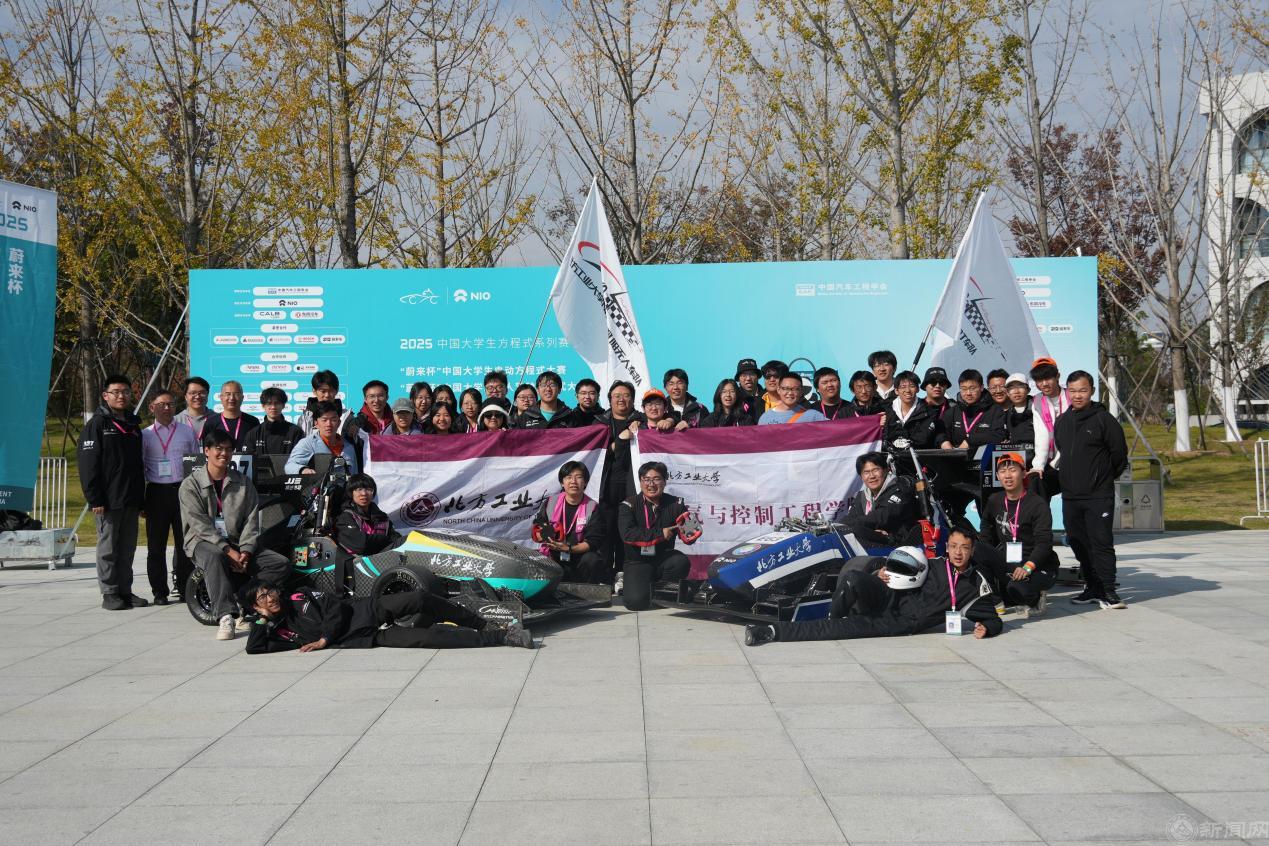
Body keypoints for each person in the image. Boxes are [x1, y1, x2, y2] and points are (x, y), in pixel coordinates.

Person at [744, 529, 1002, 645]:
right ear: (947, 547)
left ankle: (768, 632)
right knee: (853, 578)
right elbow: (895, 566)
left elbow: (993, 618)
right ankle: (835, 618)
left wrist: (987, 628)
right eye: (954, 546)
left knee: (834, 630)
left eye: (964, 548)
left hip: (900, 622)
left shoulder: (975, 584)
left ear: (972, 550)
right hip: (888, 597)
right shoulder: (933, 564)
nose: (958, 552)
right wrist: (878, 573)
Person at [181, 428, 292, 640]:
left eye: (228, 449)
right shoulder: (190, 485)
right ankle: (226, 616)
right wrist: (227, 550)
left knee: (279, 564)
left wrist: (246, 550)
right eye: (218, 449)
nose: (224, 453)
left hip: (237, 541)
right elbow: (199, 525)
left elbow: (252, 519)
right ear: (206, 451)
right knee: (215, 556)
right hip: (202, 541)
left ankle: (243, 600)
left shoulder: (242, 482)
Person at [241, 579, 534, 653]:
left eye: (270, 591)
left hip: (368, 609)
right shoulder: (282, 630)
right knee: (429, 638)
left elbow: (335, 609)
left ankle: (481, 622)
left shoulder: (299, 596)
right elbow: (254, 648)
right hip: (367, 636)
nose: (271, 598)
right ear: (255, 606)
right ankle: (502, 637)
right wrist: (262, 620)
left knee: (420, 598)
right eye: (262, 599)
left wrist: (324, 639)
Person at [1054, 370, 1128, 609]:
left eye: (1083, 390)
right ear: (1067, 392)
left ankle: (1108, 590)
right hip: (1071, 496)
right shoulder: (1062, 421)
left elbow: (1119, 456)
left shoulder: (1104, 420)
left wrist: (1102, 478)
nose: (1078, 395)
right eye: (1073, 391)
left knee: (1101, 543)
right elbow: (1062, 451)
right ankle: (1092, 587)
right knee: (1078, 542)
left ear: (1092, 391)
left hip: (1098, 495)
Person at [78, 375, 148, 610]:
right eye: (116, 392)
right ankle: (109, 592)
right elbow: (88, 465)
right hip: (107, 500)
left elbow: (138, 465)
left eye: (126, 392)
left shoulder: (133, 425)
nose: (121, 396)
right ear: (105, 395)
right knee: (108, 549)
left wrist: (141, 500)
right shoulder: (97, 425)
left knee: (127, 549)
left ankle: (125, 590)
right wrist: (94, 498)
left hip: (131, 498)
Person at [979, 453, 1056, 613]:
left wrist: (1027, 567)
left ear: (1023, 473)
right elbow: (986, 524)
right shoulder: (994, 500)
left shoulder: (1037, 504)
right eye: (1003, 471)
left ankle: (1037, 596)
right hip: (1009, 561)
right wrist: (987, 551)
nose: (1007, 475)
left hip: (1037, 564)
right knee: (976, 551)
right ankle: (996, 600)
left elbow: (1044, 543)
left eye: (1013, 470)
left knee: (1018, 591)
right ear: (997, 476)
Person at [141, 389, 199, 604]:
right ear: (152, 407)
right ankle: (159, 592)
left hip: (183, 490)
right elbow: (140, 466)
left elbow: (196, 463)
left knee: (186, 544)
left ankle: (185, 589)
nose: (167, 408)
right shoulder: (145, 434)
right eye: (162, 404)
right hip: (156, 492)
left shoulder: (187, 431)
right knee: (156, 546)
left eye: (171, 404)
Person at [618, 461, 696, 610]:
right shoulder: (628, 505)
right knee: (635, 603)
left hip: (663, 558)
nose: (651, 484)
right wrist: (661, 533)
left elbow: (689, 533)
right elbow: (628, 534)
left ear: (664, 481)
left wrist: (692, 532)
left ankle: (662, 593)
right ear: (640, 482)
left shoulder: (676, 504)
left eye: (656, 479)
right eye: (646, 479)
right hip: (637, 561)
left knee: (680, 561)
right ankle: (629, 580)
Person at [597, 381, 644, 584]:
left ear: (633, 399)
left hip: (632, 485)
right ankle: (605, 575)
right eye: (616, 396)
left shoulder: (641, 420)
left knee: (628, 530)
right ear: (609, 400)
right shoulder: (599, 423)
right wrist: (621, 441)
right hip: (606, 485)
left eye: (626, 395)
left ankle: (625, 574)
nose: (621, 399)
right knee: (606, 531)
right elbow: (596, 453)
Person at [532, 461, 609, 583]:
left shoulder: (593, 507)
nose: (573, 481)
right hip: (553, 555)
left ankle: (585, 592)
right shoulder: (551, 502)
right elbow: (537, 529)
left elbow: (592, 542)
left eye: (578, 477)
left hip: (579, 556)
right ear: (562, 483)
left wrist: (568, 548)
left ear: (585, 482)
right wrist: (544, 534)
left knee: (592, 559)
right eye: (569, 477)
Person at [831, 452, 921, 547]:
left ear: (886, 470)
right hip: (872, 545)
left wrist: (844, 526)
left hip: (901, 546)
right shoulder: (861, 496)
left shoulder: (900, 491)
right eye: (866, 472)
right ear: (861, 476)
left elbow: (881, 517)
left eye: (875, 470)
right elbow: (851, 518)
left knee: (855, 530)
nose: (872, 476)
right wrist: (836, 526)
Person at [332, 474, 405, 590]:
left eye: (368, 489)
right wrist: (386, 540)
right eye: (358, 489)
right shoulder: (345, 517)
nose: (364, 494)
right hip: (358, 566)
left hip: (383, 561)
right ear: (351, 493)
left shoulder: (382, 517)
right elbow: (361, 545)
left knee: (409, 540)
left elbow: (396, 539)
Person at [1028, 357, 1069, 499]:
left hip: (1073, 460)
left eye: (1048, 378)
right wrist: (1038, 466)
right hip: (1052, 462)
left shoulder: (1072, 397)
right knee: (1037, 482)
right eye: (1039, 380)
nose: (1044, 384)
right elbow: (1042, 435)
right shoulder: (1037, 401)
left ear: (1058, 376)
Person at [285, 400, 360, 474]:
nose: (329, 424)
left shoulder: (348, 447)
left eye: (333, 420)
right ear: (316, 423)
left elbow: (354, 474)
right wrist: (303, 470)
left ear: (339, 422)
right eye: (324, 420)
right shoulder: (307, 444)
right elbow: (290, 466)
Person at [941, 369, 1007, 449]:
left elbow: (999, 435)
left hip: (983, 456)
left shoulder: (995, 410)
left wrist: (970, 441)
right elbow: (940, 433)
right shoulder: (952, 412)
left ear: (981, 387)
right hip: (956, 455)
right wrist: (943, 441)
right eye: (964, 389)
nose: (968, 393)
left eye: (972, 388)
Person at [884, 370, 945, 454]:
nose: (908, 390)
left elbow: (923, 439)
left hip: (918, 459)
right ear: (896, 391)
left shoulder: (929, 412)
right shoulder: (886, 409)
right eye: (903, 387)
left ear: (918, 389)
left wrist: (904, 443)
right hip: (890, 459)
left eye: (912, 386)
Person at [203, 381, 260, 450]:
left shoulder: (253, 422)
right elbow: (206, 449)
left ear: (242, 397)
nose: (232, 398)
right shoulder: (211, 422)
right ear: (221, 397)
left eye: (236, 394)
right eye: (228, 394)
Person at [248, 387, 305, 456]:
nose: (273, 407)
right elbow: (248, 458)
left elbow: (301, 457)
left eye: (277, 403)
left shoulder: (296, 432)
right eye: (269, 403)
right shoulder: (253, 433)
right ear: (263, 406)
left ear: (283, 405)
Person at [759, 373, 827, 424]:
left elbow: (831, 428)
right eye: (786, 388)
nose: (790, 393)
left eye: (795, 389)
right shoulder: (766, 418)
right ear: (779, 390)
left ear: (801, 392)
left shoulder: (813, 416)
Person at [299, 370, 351, 436]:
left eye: (331, 391)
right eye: (323, 391)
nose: (327, 395)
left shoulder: (346, 417)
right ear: (314, 391)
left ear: (337, 391)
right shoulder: (304, 418)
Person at [1004, 373, 1035, 444]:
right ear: (1007, 393)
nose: (1016, 391)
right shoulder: (1006, 415)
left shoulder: (1039, 408)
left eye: (1021, 386)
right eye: (1011, 388)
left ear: (1028, 390)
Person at [734, 358, 766, 422]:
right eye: (744, 375)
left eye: (752, 374)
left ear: (757, 377)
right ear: (738, 379)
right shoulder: (734, 398)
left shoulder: (767, 396)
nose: (748, 378)